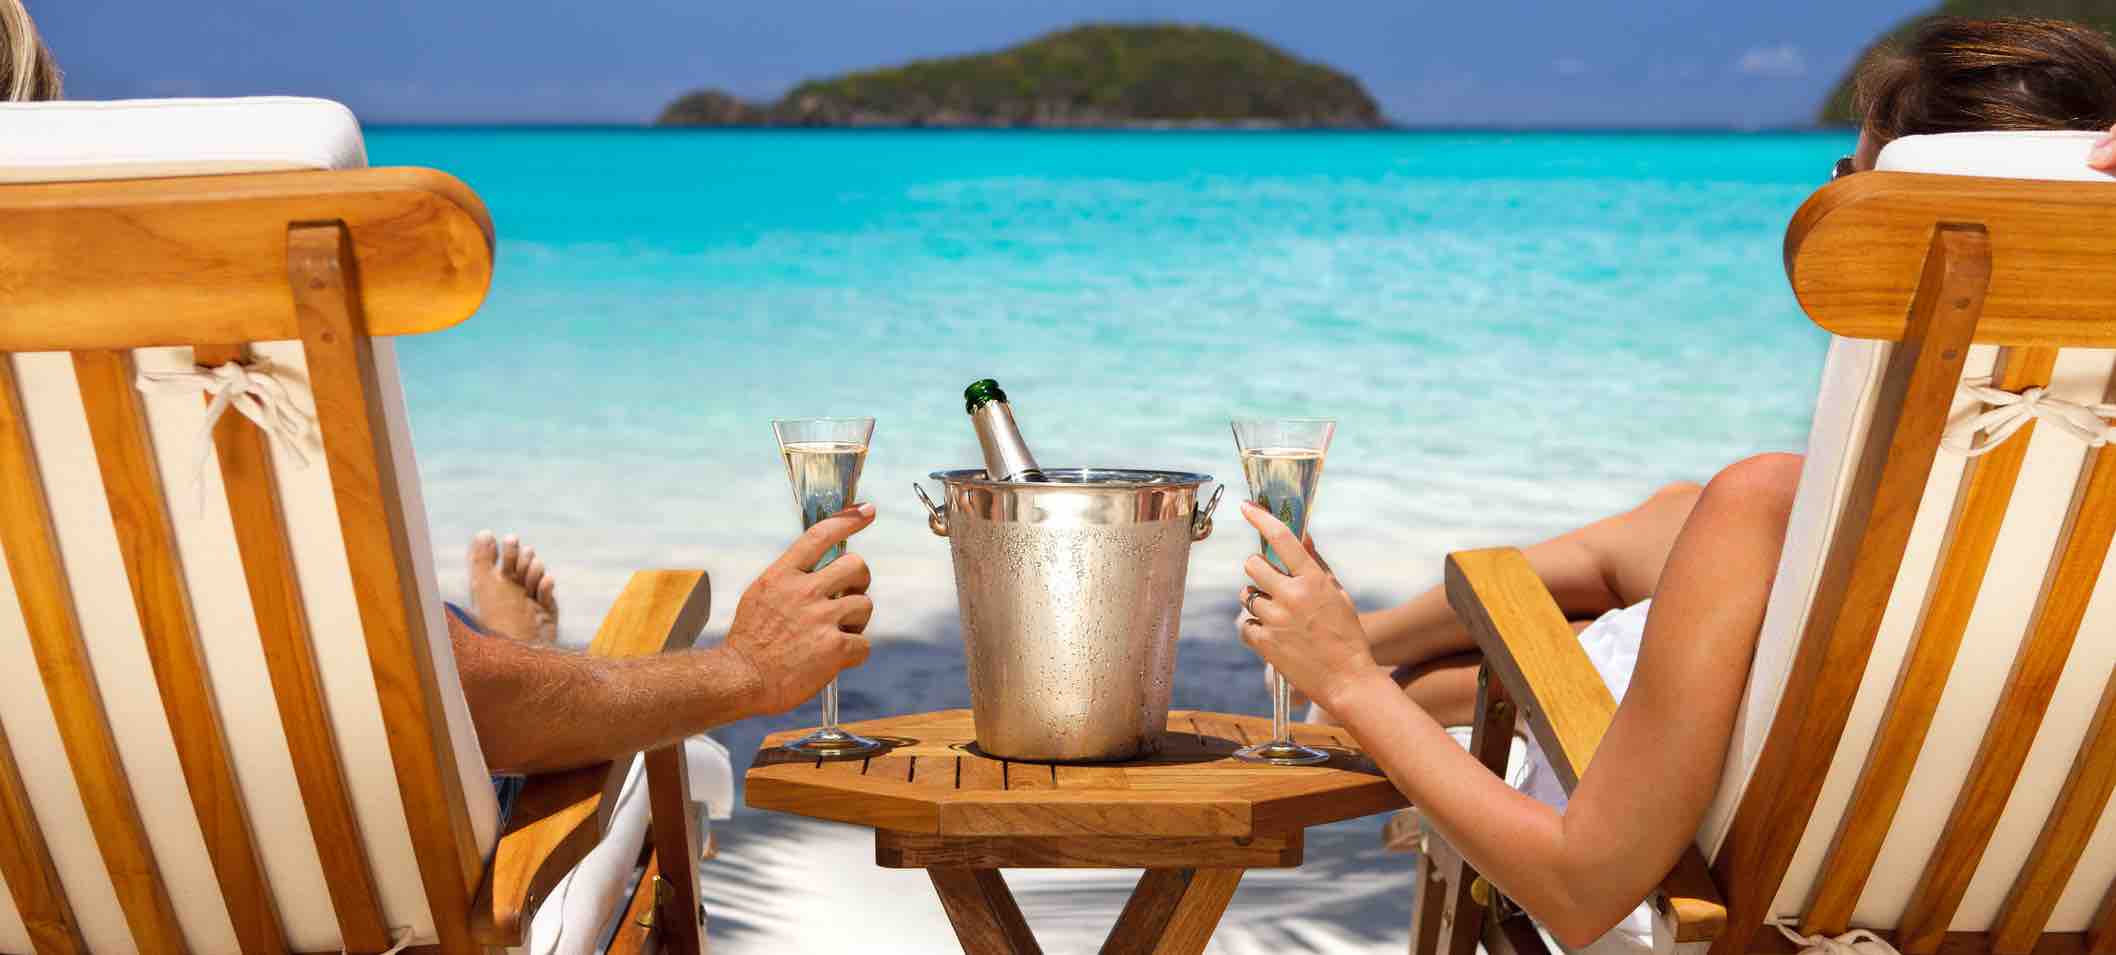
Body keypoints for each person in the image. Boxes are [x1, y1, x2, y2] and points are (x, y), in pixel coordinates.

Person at [1234, 16, 2116, 949]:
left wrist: (1353, 683)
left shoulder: (1770, 511)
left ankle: (1372, 663)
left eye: (1852, 178)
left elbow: (1581, 892)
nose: (1825, 188)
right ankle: (1403, 654)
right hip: (2019, 887)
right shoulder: (2040, 540)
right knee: (1681, 518)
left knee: (1722, 513)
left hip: (1704, 897)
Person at [1, 0, 876, 778]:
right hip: (309, 879)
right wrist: (747, 667)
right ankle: (512, 650)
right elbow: (448, 703)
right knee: (398, 650)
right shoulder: (122, 398)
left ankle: (496, 641)